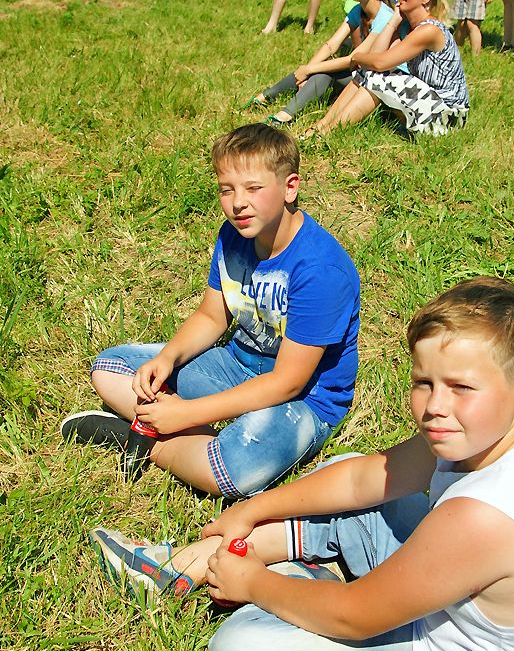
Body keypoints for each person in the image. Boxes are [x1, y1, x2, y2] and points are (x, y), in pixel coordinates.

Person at [89, 277, 514, 651]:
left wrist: (254, 586)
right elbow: (364, 477)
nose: (435, 407)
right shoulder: (498, 438)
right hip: (457, 615)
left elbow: (355, 616)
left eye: (461, 387)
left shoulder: (486, 516)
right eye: (424, 382)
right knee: (359, 481)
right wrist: (255, 507)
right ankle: (217, 562)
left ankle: (254, 574)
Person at [61, 125, 360, 500]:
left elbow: (287, 382)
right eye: (226, 189)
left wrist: (186, 415)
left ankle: (147, 439)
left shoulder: (320, 270)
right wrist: (168, 358)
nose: (238, 203)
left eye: (253, 188)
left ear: (290, 187)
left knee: (235, 473)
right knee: (110, 368)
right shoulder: (234, 235)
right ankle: (196, 448)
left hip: (302, 399)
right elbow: (211, 317)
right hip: (236, 366)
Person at [312, 0, 469, 138]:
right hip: (430, 103)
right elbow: (376, 56)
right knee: (368, 72)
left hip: (449, 116)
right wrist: (393, 22)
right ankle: (321, 126)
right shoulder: (407, 25)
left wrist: (355, 57)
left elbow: (380, 63)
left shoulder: (430, 30)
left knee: (379, 77)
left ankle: (327, 133)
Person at [246, 0, 395, 125]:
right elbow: (331, 45)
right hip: (361, 69)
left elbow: (353, 58)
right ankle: (263, 97)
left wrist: (310, 69)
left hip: (379, 78)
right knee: (315, 70)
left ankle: (284, 116)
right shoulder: (358, 9)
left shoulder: (386, 17)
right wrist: (306, 70)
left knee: (323, 73)